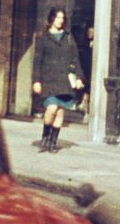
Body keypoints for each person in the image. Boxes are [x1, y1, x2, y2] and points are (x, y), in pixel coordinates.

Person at [31, 8, 84, 153]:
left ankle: (52, 142)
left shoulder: (68, 37)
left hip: (64, 80)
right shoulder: (43, 37)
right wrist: (36, 81)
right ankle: (45, 136)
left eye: (62, 18)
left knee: (60, 112)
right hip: (48, 79)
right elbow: (37, 61)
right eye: (57, 17)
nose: (60, 20)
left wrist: (79, 77)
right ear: (51, 18)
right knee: (52, 108)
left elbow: (75, 59)